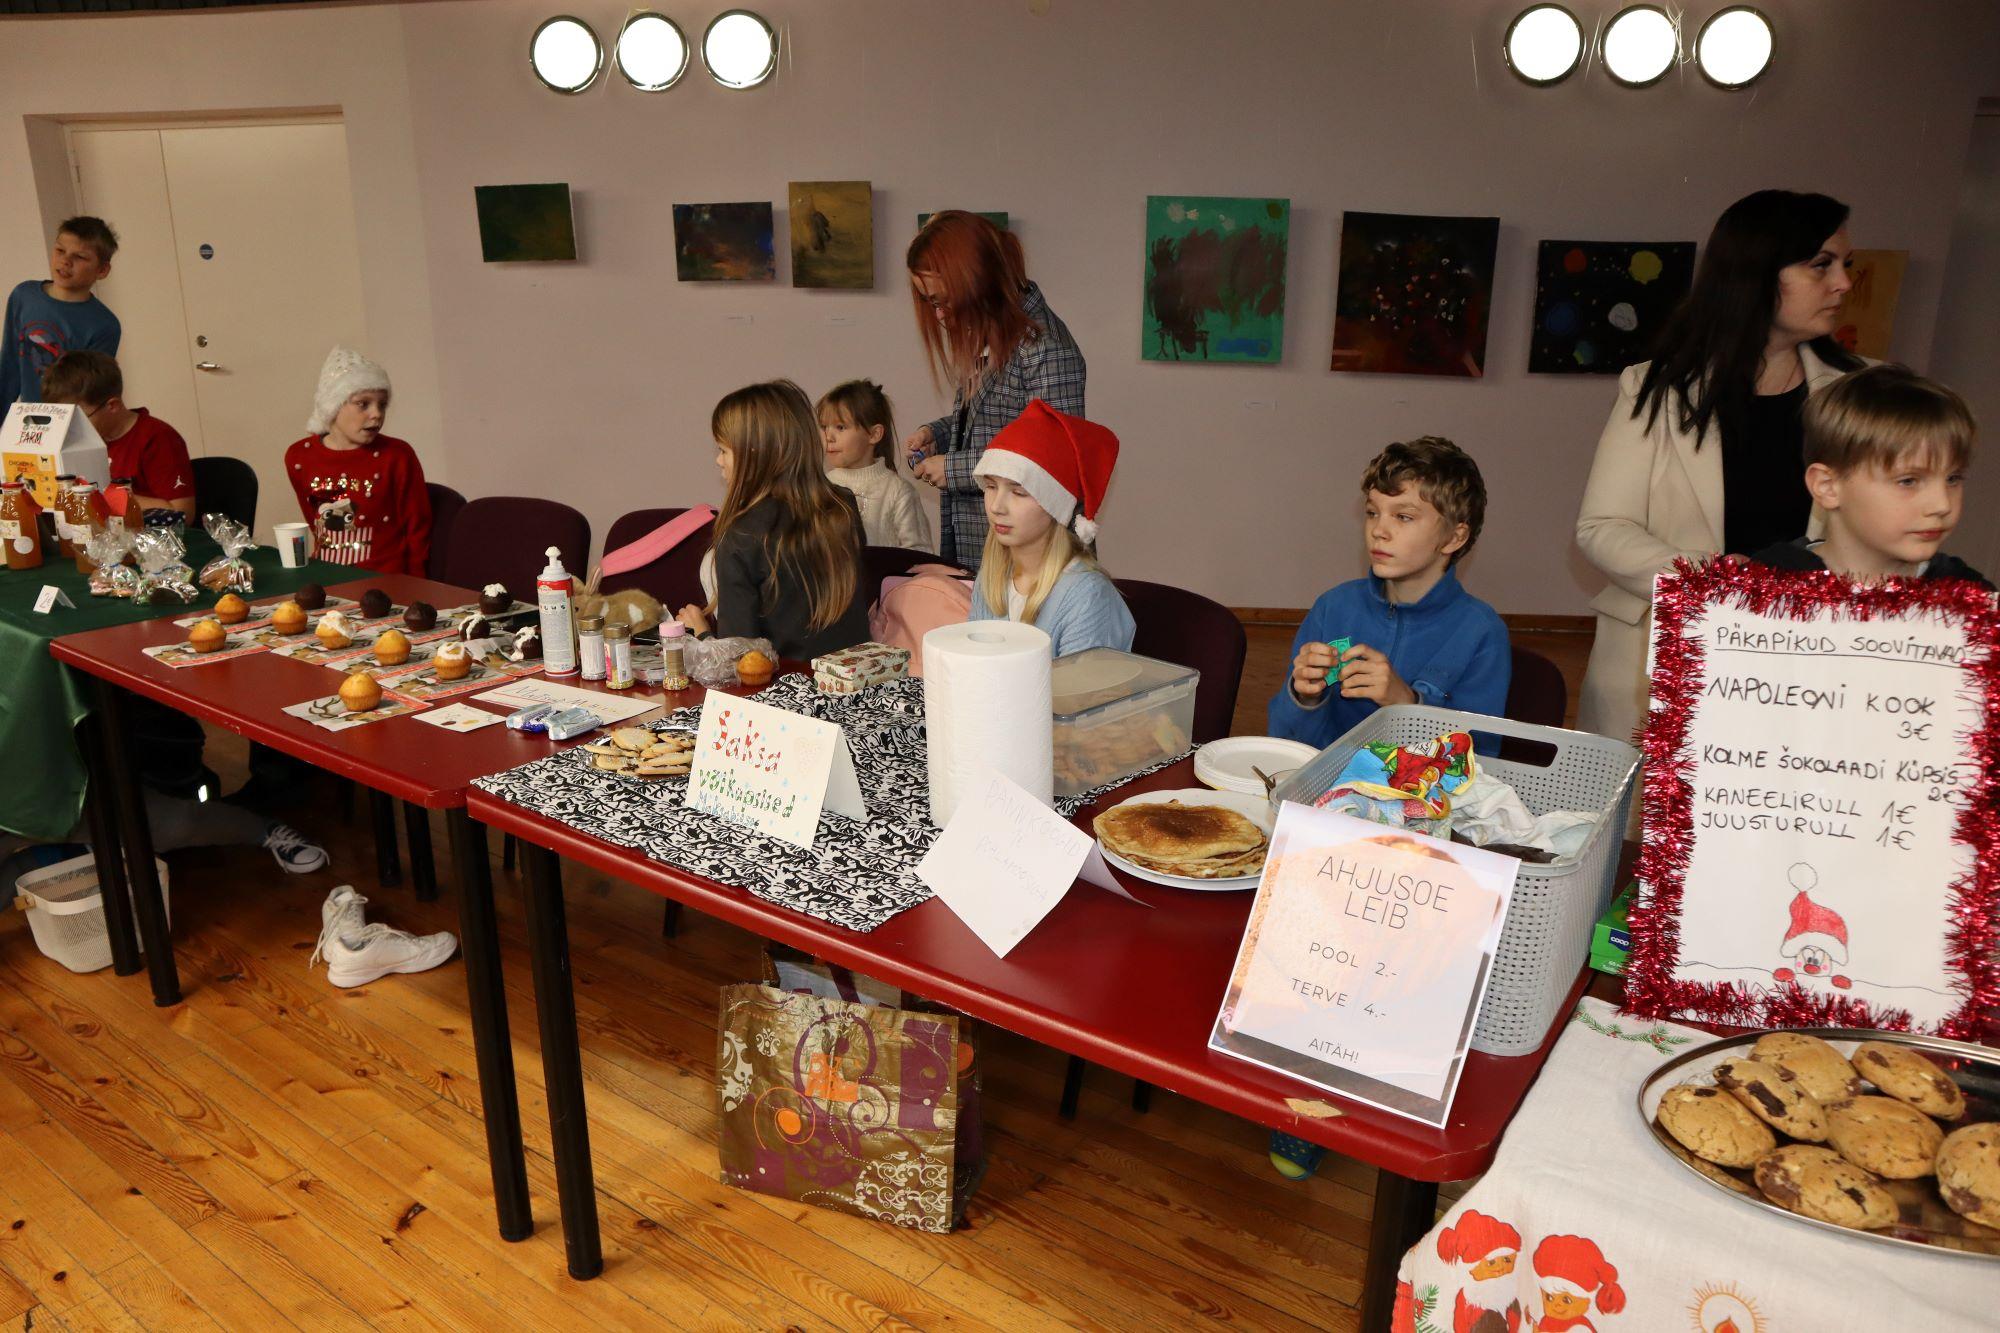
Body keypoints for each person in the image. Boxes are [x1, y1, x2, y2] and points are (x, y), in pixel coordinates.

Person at [1576, 190, 1862, 745]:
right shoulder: (1654, 386)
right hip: (1661, 661)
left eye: (1845, 265)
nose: (1844, 283)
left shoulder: (1862, 393)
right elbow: (1602, 528)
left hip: (1810, 667)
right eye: (1821, 264)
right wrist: (1721, 581)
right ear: (1756, 273)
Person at [1267, 437, 1510, 751]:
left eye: (1403, 517)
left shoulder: (1480, 632)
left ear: (1454, 537)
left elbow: (1478, 759)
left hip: (1423, 784)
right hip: (1326, 778)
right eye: (1372, 513)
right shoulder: (1333, 608)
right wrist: (1304, 698)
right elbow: (1283, 743)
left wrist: (1406, 704)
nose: (1378, 531)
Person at [903, 211, 1085, 572]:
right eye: (931, 304)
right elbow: (1001, 421)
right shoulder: (994, 335)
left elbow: (1051, 462)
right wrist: (940, 434)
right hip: (987, 548)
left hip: (1030, 560)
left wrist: (953, 468)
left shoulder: (1046, 349)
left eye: (942, 300)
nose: (939, 316)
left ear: (977, 282)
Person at [675, 380, 871, 659]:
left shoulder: (741, 535)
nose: (718, 461)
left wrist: (702, 633)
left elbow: (740, 660)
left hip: (783, 685)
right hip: (853, 678)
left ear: (754, 453)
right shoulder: (842, 504)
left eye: (723, 450)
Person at [1753, 364, 1988, 587]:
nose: (1942, 505)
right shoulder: (1760, 586)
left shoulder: (1972, 597)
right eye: (1908, 481)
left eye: (1953, 479)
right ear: (1828, 486)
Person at [967, 399, 1134, 656]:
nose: (997, 506)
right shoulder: (991, 579)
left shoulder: (1086, 595)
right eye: (990, 486)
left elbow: (1082, 684)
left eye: (1019, 492)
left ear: (1055, 506)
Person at [284, 346, 431, 575]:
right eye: (363, 404)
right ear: (333, 405)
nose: (377, 413)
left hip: (387, 580)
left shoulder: (397, 455)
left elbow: (418, 529)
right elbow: (316, 524)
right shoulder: (299, 457)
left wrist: (417, 585)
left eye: (382, 404)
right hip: (328, 575)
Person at [38, 350, 195, 519]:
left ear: (112, 406)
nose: (71, 429)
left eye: (79, 419)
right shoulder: (79, 440)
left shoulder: (157, 438)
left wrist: (104, 496)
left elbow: (182, 512)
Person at [2, 216, 121, 408]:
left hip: (68, 421)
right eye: (60, 250)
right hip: (26, 421)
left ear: (102, 270)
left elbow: (91, 394)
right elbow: (9, 367)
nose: (65, 261)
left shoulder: (105, 325)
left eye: (79, 257)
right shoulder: (23, 296)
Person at [817, 379, 930, 550]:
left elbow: (921, 553)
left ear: (874, 434)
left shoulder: (898, 491)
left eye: (840, 427)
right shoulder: (820, 487)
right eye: (824, 427)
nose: (828, 437)